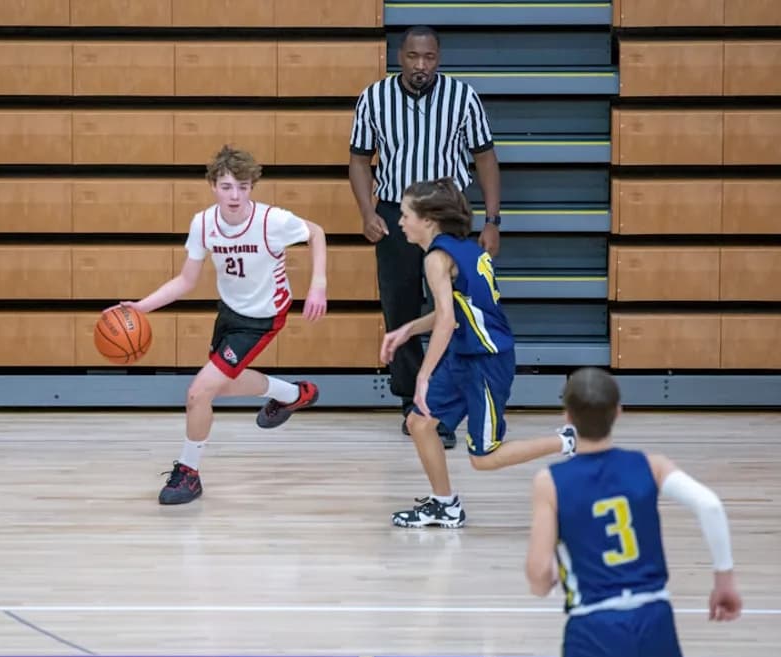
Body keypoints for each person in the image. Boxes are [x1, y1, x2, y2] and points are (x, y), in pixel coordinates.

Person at [106, 146, 328, 505]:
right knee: (221, 385)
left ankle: (189, 473)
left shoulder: (272, 221)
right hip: (229, 312)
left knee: (199, 393)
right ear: (212, 186)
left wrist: (318, 284)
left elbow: (316, 232)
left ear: (252, 186)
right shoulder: (204, 223)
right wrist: (141, 307)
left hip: (263, 317)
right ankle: (292, 394)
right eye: (226, 187)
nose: (235, 195)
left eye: (243, 187)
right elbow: (186, 280)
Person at [380, 178, 574, 528]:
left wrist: (422, 375)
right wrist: (408, 329)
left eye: (406, 215)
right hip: (465, 355)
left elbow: (447, 320)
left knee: (484, 457)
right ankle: (445, 505)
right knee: (419, 423)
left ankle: (565, 441)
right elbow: (456, 309)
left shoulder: (437, 258)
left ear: (428, 220)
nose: (400, 222)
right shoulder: (464, 248)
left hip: (486, 360)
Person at [525, 367, 742, 657]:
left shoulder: (549, 482)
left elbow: (538, 575)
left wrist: (545, 582)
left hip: (593, 625)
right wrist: (724, 579)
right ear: (618, 411)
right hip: (654, 619)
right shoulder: (651, 465)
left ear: (568, 418)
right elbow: (710, 506)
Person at [349, 25, 503, 447]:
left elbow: (485, 158)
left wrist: (492, 220)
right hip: (397, 214)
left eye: (429, 57)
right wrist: (367, 212)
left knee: (452, 308)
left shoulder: (462, 97)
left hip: (448, 216)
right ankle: (412, 403)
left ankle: (445, 406)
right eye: (414, 56)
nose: (421, 65)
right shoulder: (374, 97)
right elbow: (359, 160)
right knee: (399, 307)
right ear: (400, 56)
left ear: (439, 58)